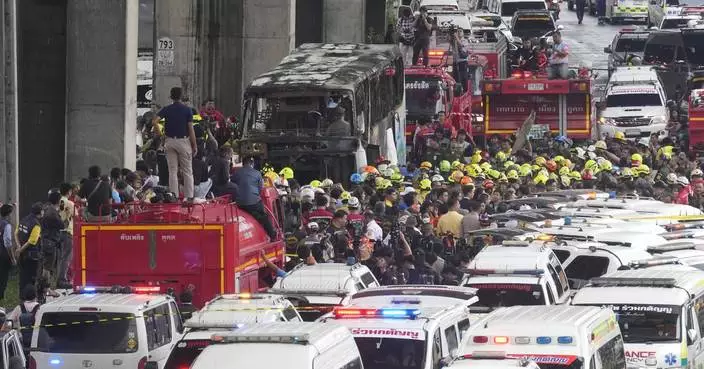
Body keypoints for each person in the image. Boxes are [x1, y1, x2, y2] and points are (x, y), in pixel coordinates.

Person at [153, 87, 197, 199]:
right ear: (181, 96)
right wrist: (194, 145)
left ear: (171, 96)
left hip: (169, 141)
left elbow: (154, 121)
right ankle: (189, 198)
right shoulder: (187, 110)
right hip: (183, 141)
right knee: (187, 171)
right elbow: (191, 129)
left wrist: (160, 135)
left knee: (172, 171)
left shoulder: (167, 109)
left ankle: (173, 197)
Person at [231, 156, 277, 239]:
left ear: (243, 163)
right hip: (253, 202)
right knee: (264, 216)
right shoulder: (257, 173)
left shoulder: (236, 173)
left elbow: (233, 186)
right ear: (252, 164)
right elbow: (260, 189)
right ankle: (272, 235)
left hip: (239, 203)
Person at [15, 203, 43, 298]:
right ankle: (29, 299)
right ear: (40, 212)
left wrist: (19, 247)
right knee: (31, 278)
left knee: (22, 277)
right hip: (31, 256)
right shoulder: (36, 224)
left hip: (22, 257)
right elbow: (32, 241)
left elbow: (16, 233)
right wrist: (20, 250)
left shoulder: (23, 219)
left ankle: (22, 297)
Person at [6, 285, 40, 357]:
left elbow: (8, 323)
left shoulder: (19, 308)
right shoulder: (39, 308)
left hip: (21, 342)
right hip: (36, 341)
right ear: (35, 295)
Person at [41, 192, 64, 285]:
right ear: (58, 201)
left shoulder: (46, 209)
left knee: (47, 265)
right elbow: (61, 224)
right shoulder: (52, 212)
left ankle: (45, 286)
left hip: (46, 239)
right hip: (50, 241)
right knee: (48, 266)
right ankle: (45, 287)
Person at [0, 204, 16, 299]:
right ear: (8, 214)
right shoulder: (6, 225)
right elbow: (8, 243)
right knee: (3, 278)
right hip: (3, 255)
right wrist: (12, 258)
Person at [450, 27, 469, 93]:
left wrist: (456, 37)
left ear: (463, 33)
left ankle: (464, 91)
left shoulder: (465, 41)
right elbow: (448, 41)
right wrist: (450, 34)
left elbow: (461, 46)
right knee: (456, 79)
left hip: (463, 62)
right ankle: (457, 92)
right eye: (458, 31)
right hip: (455, 62)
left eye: (460, 31)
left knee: (463, 78)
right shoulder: (454, 40)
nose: (459, 32)